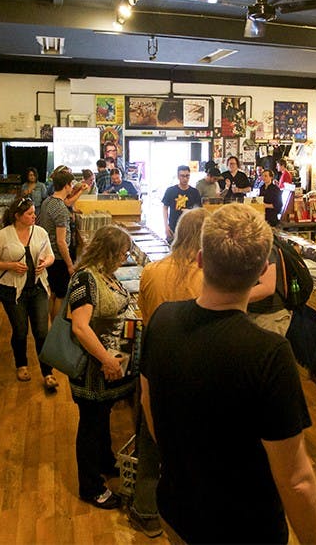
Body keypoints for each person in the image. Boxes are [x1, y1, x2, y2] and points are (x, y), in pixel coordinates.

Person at [140, 204, 316, 544]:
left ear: (200, 260)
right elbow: (296, 479)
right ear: (261, 271)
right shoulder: (270, 353)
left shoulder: (162, 320)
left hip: (176, 512)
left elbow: (149, 403)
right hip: (246, 530)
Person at [129, 207, 208, 537]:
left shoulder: (151, 270)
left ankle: (145, 510)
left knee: (149, 437)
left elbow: (145, 317)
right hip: (196, 364)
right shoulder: (208, 276)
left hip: (155, 359)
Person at [66, 224, 135, 510]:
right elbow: (81, 328)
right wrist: (107, 359)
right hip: (92, 370)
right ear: (108, 252)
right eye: (121, 253)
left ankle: (106, 462)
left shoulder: (104, 275)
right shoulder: (85, 279)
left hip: (106, 368)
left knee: (101, 417)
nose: (124, 257)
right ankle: (91, 486)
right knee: (91, 424)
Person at [0, 196, 58, 390]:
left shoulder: (40, 232)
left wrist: (46, 263)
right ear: (18, 216)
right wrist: (9, 265)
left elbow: (51, 255)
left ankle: (47, 372)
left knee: (42, 331)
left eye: (34, 212)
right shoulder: (2, 236)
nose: (34, 216)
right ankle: (22, 364)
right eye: (30, 214)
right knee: (20, 331)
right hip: (12, 291)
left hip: (38, 289)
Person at [39, 168, 77, 321]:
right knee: (60, 295)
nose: (72, 187)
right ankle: (56, 328)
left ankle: (50, 323)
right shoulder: (61, 209)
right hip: (59, 258)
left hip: (48, 253)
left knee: (53, 293)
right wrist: (69, 264)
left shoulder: (47, 201)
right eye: (71, 184)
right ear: (66, 185)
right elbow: (62, 242)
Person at [161, 165, 202, 241]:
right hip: (173, 228)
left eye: (187, 176)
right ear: (178, 176)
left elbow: (199, 211)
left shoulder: (194, 192)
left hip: (189, 229)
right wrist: (166, 226)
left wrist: (189, 212)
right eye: (182, 176)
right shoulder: (170, 191)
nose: (185, 179)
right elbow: (165, 208)